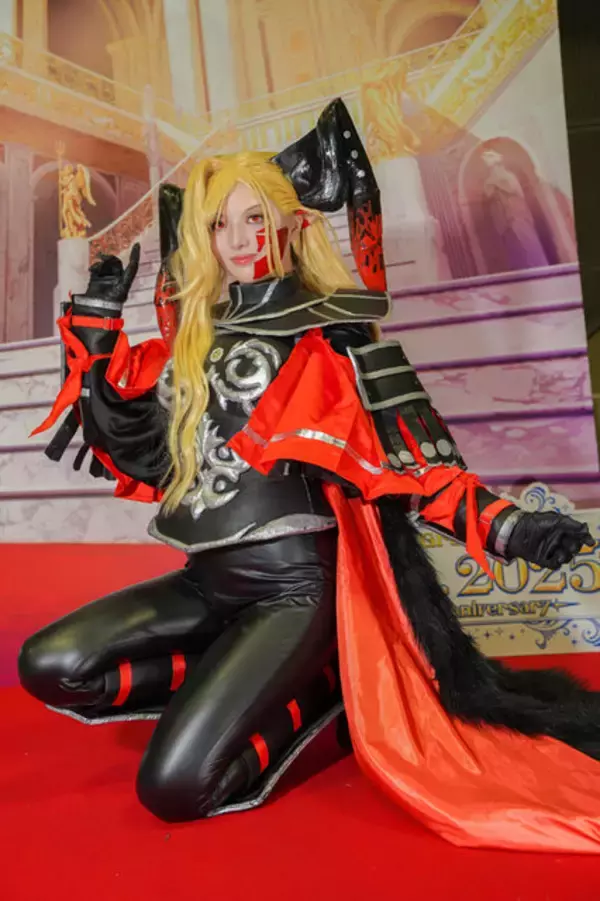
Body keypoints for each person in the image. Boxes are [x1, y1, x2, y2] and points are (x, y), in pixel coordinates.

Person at [18, 100, 600, 852]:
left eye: (255, 219)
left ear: (290, 226)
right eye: (222, 225)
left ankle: (329, 696)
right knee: (51, 662)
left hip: (295, 591)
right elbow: (127, 438)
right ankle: (240, 680)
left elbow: (412, 465)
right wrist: (98, 321)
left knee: (174, 787)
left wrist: (512, 526)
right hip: (206, 584)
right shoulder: (192, 343)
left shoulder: (331, 335)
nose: (240, 241)